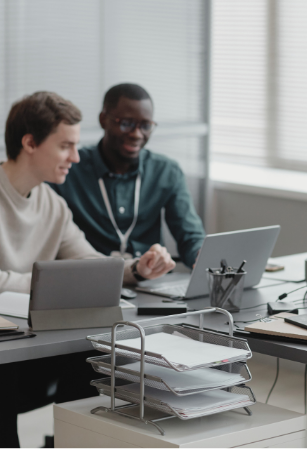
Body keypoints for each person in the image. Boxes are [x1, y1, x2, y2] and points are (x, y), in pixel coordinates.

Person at [0, 91, 175, 449]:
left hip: (34, 346)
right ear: (30, 142)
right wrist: (49, 284)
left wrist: (137, 269)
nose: (76, 157)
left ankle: (69, 441)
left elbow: (89, 263)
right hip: (6, 354)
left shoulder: (53, 204)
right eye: (66, 146)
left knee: (94, 357)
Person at [51, 83, 206, 268]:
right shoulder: (68, 169)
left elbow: (190, 236)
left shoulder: (166, 172)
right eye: (126, 124)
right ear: (103, 119)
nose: (136, 134)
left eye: (146, 125)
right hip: (93, 281)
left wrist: (202, 259)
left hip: (151, 281)